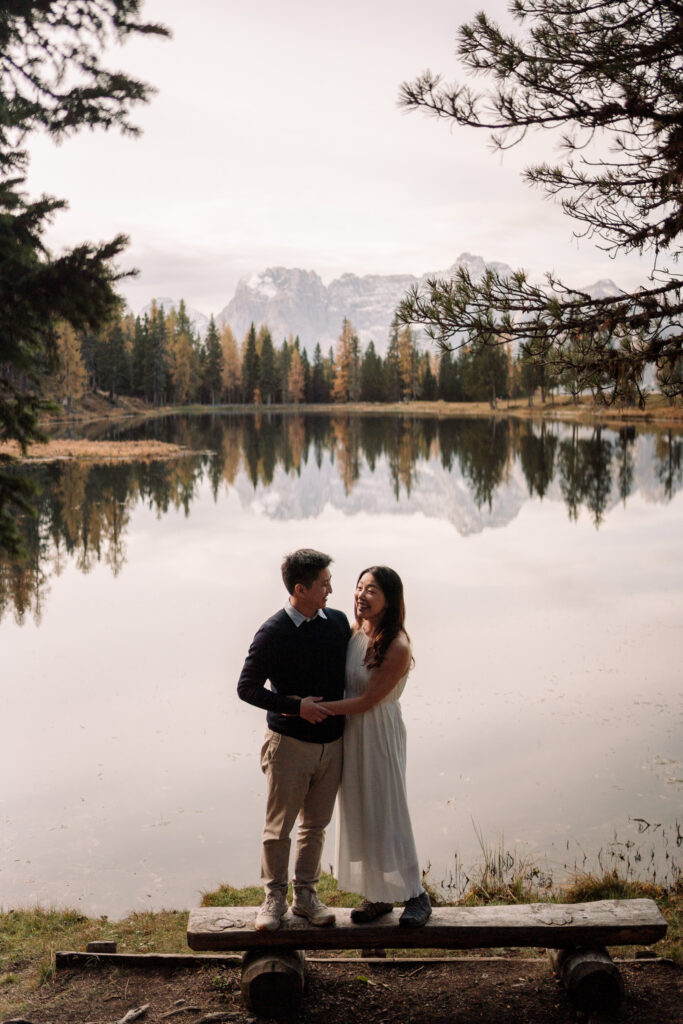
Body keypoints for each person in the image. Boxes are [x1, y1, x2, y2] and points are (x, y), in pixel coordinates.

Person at [237, 548, 350, 931]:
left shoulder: (336, 622)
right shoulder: (272, 633)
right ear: (300, 589)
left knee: (315, 826)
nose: (331, 589)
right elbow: (246, 688)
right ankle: (273, 899)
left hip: (332, 745)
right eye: (323, 584)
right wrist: (294, 706)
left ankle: (305, 897)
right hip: (289, 745)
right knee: (278, 828)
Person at [319, 566, 432, 928]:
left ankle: (416, 894)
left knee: (387, 809)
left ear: (389, 601)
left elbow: (368, 699)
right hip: (352, 732)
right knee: (360, 809)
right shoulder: (355, 632)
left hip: (378, 732)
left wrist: (318, 709)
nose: (361, 595)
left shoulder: (397, 644)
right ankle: (378, 896)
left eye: (372, 591)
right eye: (359, 587)